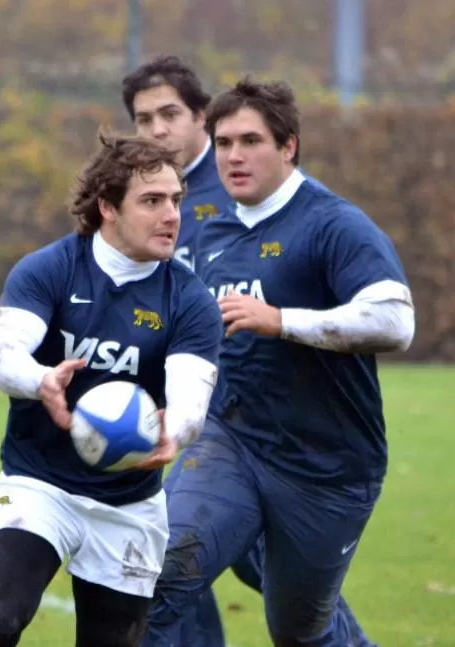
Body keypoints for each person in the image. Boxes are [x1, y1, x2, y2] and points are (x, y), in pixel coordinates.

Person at [145, 77, 414, 647]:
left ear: (288, 145)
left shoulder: (332, 224)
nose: (234, 156)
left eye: (250, 141)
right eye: (222, 143)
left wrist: (282, 320)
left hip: (326, 467)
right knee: (156, 575)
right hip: (231, 443)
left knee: (298, 632)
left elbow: (396, 321)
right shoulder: (212, 231)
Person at [0, 131, 222, 647]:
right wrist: (42, 379)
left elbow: (191, 398)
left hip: (130, 506)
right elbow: (0, 358)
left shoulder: (190, 301)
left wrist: (175, 431)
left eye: (175, 200)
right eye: (151, 201)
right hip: (40, 485)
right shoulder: (50, 269)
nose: (171, 215)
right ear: (107, 206)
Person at [122, 54, 231, 272]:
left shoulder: (243, 178)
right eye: (144, 120)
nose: (158, 130)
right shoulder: (122, 191)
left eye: (170, 115)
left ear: (200, 117)